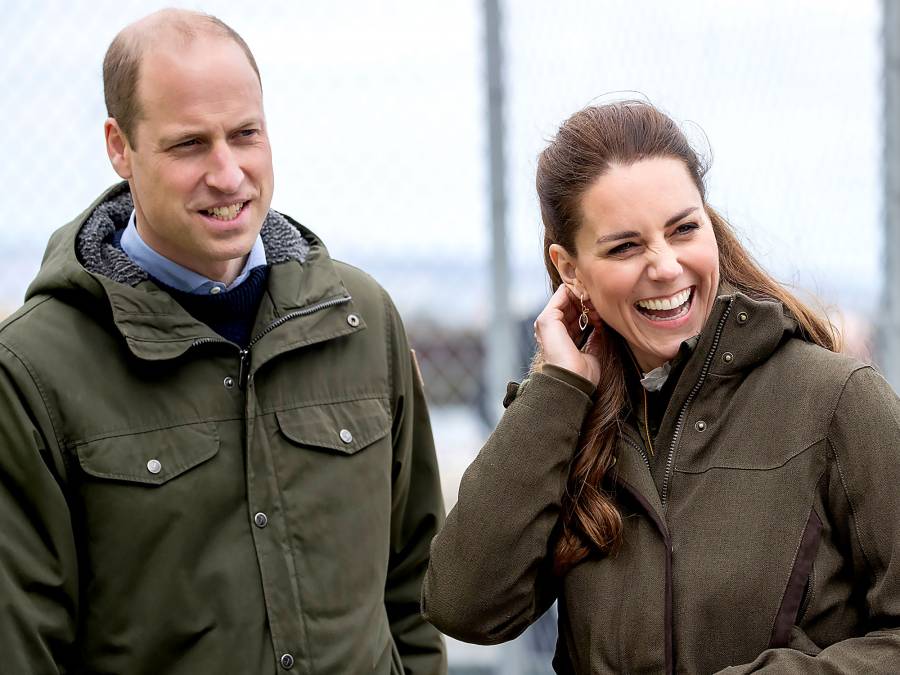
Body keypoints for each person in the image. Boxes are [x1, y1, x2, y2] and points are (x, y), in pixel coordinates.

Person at [0, 9, 446, 675]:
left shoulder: (364, 319)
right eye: (189, 145)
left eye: (246, 135)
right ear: (119, 147)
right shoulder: (31, 371)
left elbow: (417, 581)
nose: (229, 173)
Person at [422, 101, 900, 673]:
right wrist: (554, 392)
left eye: (683, 229)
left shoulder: (837, 401)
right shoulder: (566, 419)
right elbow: (464, 605)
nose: (667, 266)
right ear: (569, 269)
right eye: (625, 246)